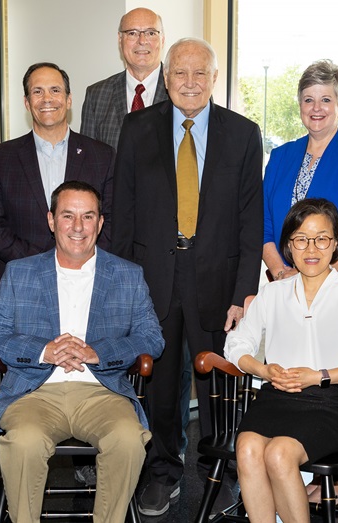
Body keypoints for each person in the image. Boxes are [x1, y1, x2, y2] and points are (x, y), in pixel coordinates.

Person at [112, 37, 264, 516]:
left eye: (201, 73)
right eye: (181, 73)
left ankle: (219, 474)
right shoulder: (137, 128)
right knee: (159, 384)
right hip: (152, 278)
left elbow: (249, 220)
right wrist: (120, 288)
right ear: (166, 77)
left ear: (215, 78)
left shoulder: (243, 133)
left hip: (216, 282)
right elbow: (123, 213)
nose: (191, 82)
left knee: (217, 385)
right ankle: (162, 471)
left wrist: (245, 291)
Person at [0, 181, 164, 523]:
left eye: (88, 216)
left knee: (128, 439)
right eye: (68, 216)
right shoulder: (21, 272)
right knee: (23, 442)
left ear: (100, 223)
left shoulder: (127, 275)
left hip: (101, 392)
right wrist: (43, 350)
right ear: (51, 220)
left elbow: (152, 337)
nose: (78, 227)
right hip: (35, 393)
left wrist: (99, 353)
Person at [227, 198, 338, 523]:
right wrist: (263, 369)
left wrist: (320, 376)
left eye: (322, 238)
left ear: (336, 243)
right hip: (275, 397)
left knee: (279, 453)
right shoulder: (272, 293)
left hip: (329, 403)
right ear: (288, 245)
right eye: (301, 239)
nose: (311, 248)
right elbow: (236, 344)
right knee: (246, 449)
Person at [0, 62, 114, 302]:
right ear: (26, 102)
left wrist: (78, 263)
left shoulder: (102, 156)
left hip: (86, 285)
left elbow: (112, 219)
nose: (47, 99)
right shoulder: (0, 158)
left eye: (55, 90)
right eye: (37, 91)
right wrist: (40, 263)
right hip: (20, 285)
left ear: (69, 99)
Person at [263, 60, 338, 304]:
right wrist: (282, 275)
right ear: (300, 104)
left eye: (326, 100)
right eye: (309, 99)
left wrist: (315, 274)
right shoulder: (280, 158)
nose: (316, 108)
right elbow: (264, 225)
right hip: (287, 292)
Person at [80, 7, 169, 149]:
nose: (142, 41)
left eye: (151, 33)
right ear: (120, 40)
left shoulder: (182, 91)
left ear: (162, 40)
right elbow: (88, 161)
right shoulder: (96, 95)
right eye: (132, 33)